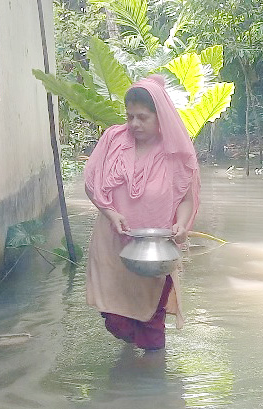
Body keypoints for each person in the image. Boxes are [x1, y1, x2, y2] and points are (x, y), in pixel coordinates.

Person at [83, 75, 200, 351]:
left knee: (151, 321)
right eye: (130, 116)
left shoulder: (176, 153)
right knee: (114, 317)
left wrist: (181, 226)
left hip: (155, 250)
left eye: (143, 117)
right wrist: (111, 213)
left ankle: (153, 384)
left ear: (160, 117)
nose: (134, 124)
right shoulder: (113, 139)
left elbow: (186, 199)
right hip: (112, 244)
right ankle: (129, 356)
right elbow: (92, 184)